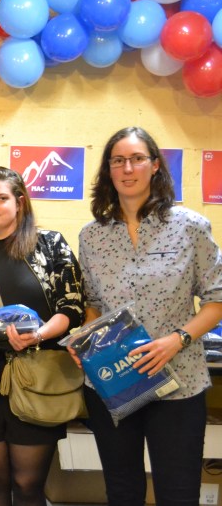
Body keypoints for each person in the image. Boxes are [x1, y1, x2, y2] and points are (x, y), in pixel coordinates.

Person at [76, 126, 222, 505]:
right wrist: (87, 343)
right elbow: (93, 302)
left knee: (178, 493)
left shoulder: (190, 227)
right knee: (122, 491)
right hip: (114, 380)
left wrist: (177, 340)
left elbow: (217, 299)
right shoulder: (92, 235)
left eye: (137, 159)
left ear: (155, 165)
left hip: (178, 380)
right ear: (108, 169)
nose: (128, 169)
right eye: (118, 161)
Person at [0, 166, 85, 506]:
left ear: (20, 202)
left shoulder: (50, 245)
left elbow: (72, 307)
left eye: (0, 198)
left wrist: (38, 334)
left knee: (27, 485)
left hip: (37, 375)